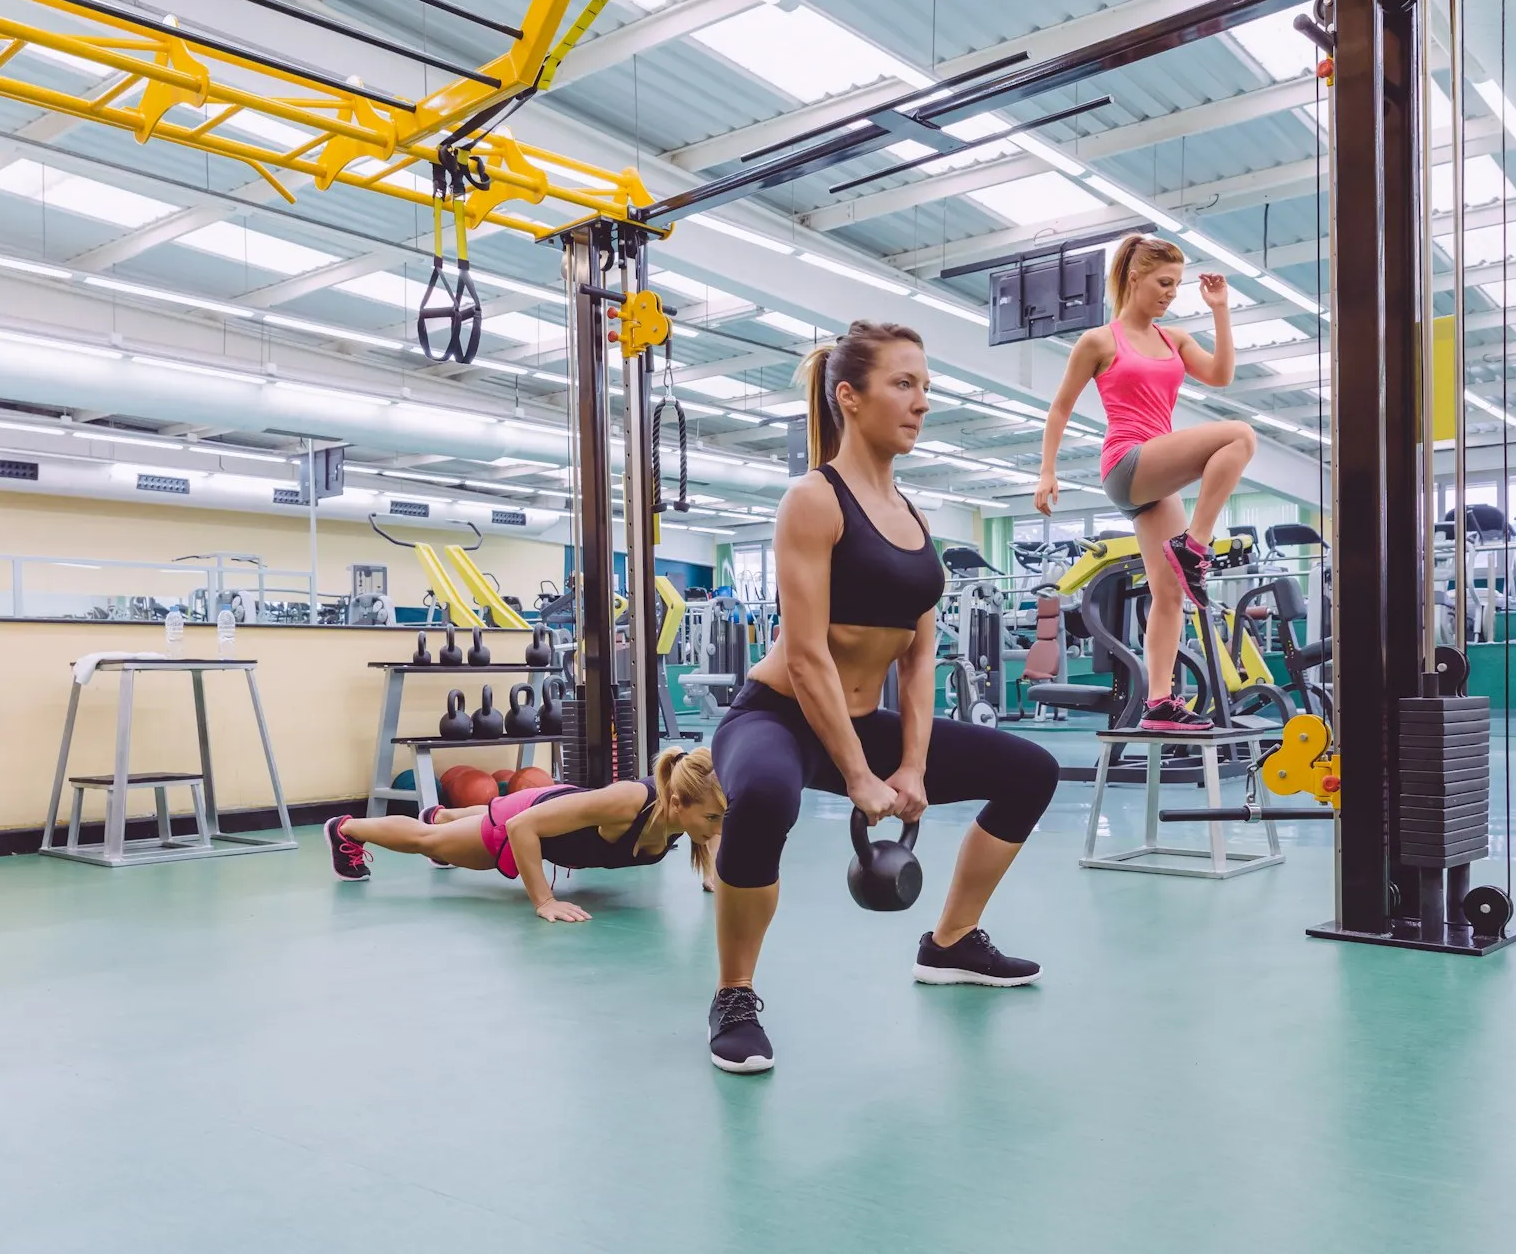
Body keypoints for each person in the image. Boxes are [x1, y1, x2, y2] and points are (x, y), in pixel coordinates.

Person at [705, 321, 1062, 1075]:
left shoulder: (916, 517)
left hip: (864, 722)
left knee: (1029, 770)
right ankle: (734, 994)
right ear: (850, 397)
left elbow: (921, 655)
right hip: (776, 716)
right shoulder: (813, 499)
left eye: (925, 386)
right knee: (767, 797)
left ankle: (951, 942)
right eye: (904, 384)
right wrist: (861, 779)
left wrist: (913, 767)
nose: (922, 402)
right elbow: (806, 659)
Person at [1033, 234, 1248, 733]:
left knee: (1169, 592)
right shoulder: (1101, 341)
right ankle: (1194, 545)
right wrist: (1047, 469)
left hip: (1158, 474)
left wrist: (1220, 310)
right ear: (1135, 277)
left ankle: (1159, 704)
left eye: (1177, 285)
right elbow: (1061, 406)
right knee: (1238, 436)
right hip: (1127, 462)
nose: (1172, 293)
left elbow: (1221, 376)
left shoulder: (1175, 340)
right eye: (1164, 283)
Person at [323, 746, 725, 922]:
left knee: (457, 827)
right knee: (425, 841)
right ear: (676, 805)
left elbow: (714, 831)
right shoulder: (629, 802)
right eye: (711, 819)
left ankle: (444, 815)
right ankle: (346, 830)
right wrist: (545, 901)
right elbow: (522, 827)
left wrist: (714, 874)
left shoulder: (696, 809)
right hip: (526, 818)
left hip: (553, 809)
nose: (718, 826)